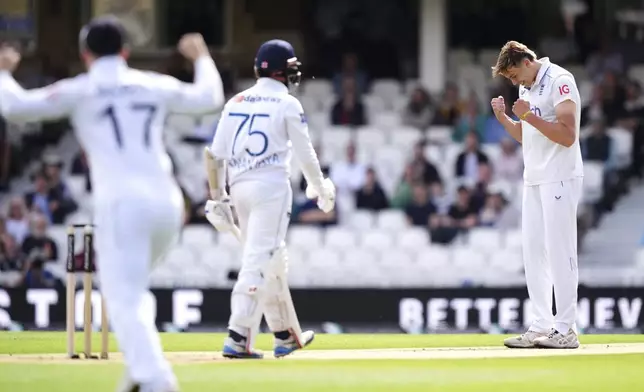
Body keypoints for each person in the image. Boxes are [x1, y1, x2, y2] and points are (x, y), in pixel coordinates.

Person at [0, 16, 225, 391]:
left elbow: (15, 107)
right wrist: (201, 57)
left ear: (85, 55)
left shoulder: (82, 89)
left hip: (123, 204)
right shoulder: (150, 84)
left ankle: (156, 380)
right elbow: (209, 99)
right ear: (125, 51)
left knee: (123, 295)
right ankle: (137, 376)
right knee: (134, 291)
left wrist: (5, 71)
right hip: (168, 203)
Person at [204, 39, 335, 359]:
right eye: (291, 68)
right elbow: (306, 154)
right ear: (280, 71)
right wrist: (320, 187)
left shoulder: (235, 101)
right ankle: (238, 336)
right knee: (259, 261)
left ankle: (284, 334)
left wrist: (218, 197)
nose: (294, 74)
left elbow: (214, 155)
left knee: (272, 260)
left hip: (239, 189)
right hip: (271, 191)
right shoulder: (287, 103)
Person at [491, 41, 584, 349]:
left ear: (527, 61)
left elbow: (568, 136)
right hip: (534, 178)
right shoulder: (526, 89)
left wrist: (529, 116)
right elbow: (526, 136)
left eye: (515, 75)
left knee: (560, 251)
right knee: (533, 253)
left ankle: (566, 328)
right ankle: (542, 324)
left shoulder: (560, 81)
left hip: (560, 176)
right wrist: (506, 118)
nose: (515, 83)